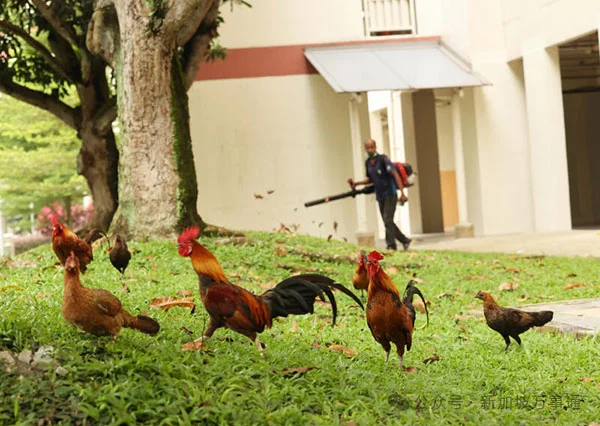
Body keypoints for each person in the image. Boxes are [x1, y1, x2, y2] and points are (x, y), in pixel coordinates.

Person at [349, 139, 412, 251]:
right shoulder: (368, 163)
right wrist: (357, 183)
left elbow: (395, 174)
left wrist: (402, 193)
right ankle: (405, 240)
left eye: (372, 147)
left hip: (390, 194)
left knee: (388, 220)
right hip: (380, 196)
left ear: (375, 147)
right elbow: (370, 179)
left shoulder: (383, 159)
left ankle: (391, 246)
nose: (370, 150)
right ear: (365, 149)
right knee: (387, 222)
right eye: (368, 148)